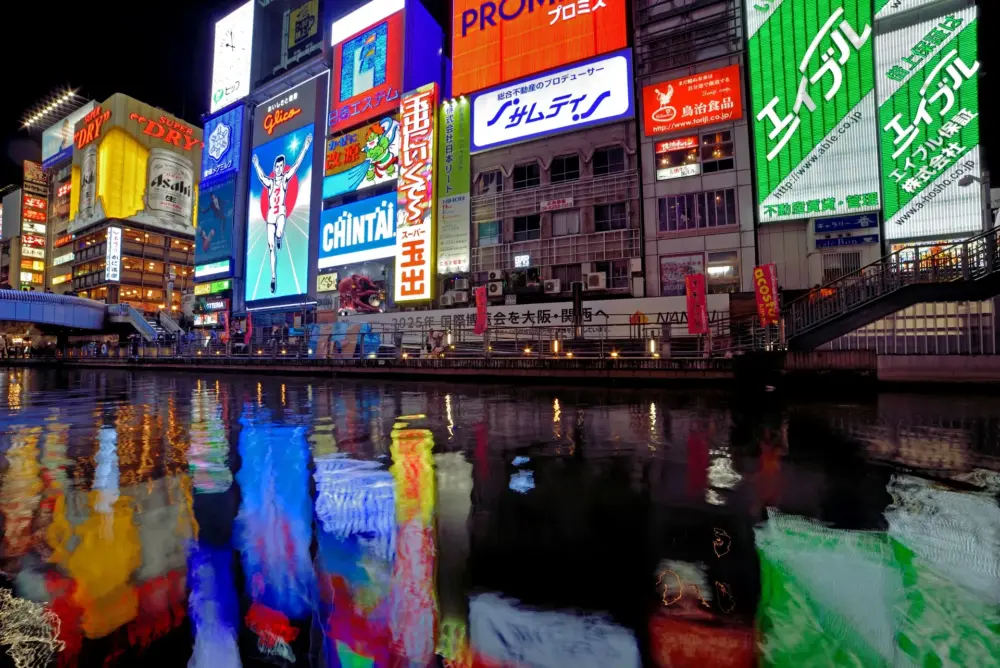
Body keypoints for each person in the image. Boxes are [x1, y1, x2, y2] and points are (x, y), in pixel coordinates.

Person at [251, 133, 313, 294]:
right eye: (277, 167)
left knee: (279, 230)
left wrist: (305, 147)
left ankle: (280, 237)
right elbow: (261, 176)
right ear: (274, 168)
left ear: (283, 166)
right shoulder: (270, 183)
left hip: (281, 212)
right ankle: (273, 277)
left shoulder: (285, 179)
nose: (279, 169)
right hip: (271, 216)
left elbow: (297, 165)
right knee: (271, 248)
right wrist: (256, 165)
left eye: (281, 166)